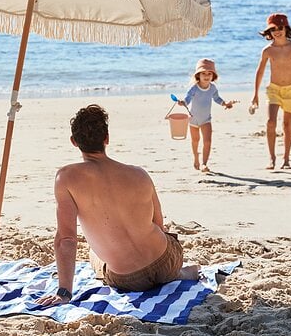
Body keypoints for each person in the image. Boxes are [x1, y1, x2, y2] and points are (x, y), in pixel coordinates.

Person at [36, 104, 200, 306]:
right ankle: (180, 273)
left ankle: (176, 274)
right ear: (106, 138)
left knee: (94, 253)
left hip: (128, 279)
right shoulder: (140, 174)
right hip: (166, 259)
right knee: (155, 241)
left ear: (73, 142)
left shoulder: (66, 178)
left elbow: (66, 239)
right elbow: (159, 223)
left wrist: (64, 292)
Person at [251, 13, 291, 170]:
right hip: (273, 89)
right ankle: (272, 158)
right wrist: (255, 94)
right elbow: (259, 72)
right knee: (270, 122)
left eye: (280, 28)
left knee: (287, 124)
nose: (277, 31)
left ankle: (286, 159)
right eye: (273, 29)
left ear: (286, 28)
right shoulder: (268, 50)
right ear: (269, 32)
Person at [179, 58, 234, 173]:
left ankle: (204, 163)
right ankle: (196, 158)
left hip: (206, 120)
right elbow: (187, 99)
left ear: (213, 76)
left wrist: (225, 103)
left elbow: (217, 98)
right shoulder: (194, 88)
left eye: (209, 73)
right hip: (193, 119)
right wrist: (183, 102)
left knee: (207, 141)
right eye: (203, 73)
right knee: (195, 141)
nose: (206, 76)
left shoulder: (212, 88)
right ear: (198, 75)